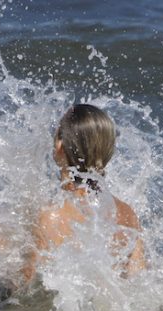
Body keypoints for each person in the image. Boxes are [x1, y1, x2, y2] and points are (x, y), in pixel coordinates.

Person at [19, 104, 146, 289]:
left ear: (60, 145)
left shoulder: (49, 216)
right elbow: (139, 284)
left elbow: (26, 294)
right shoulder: (127, 214)